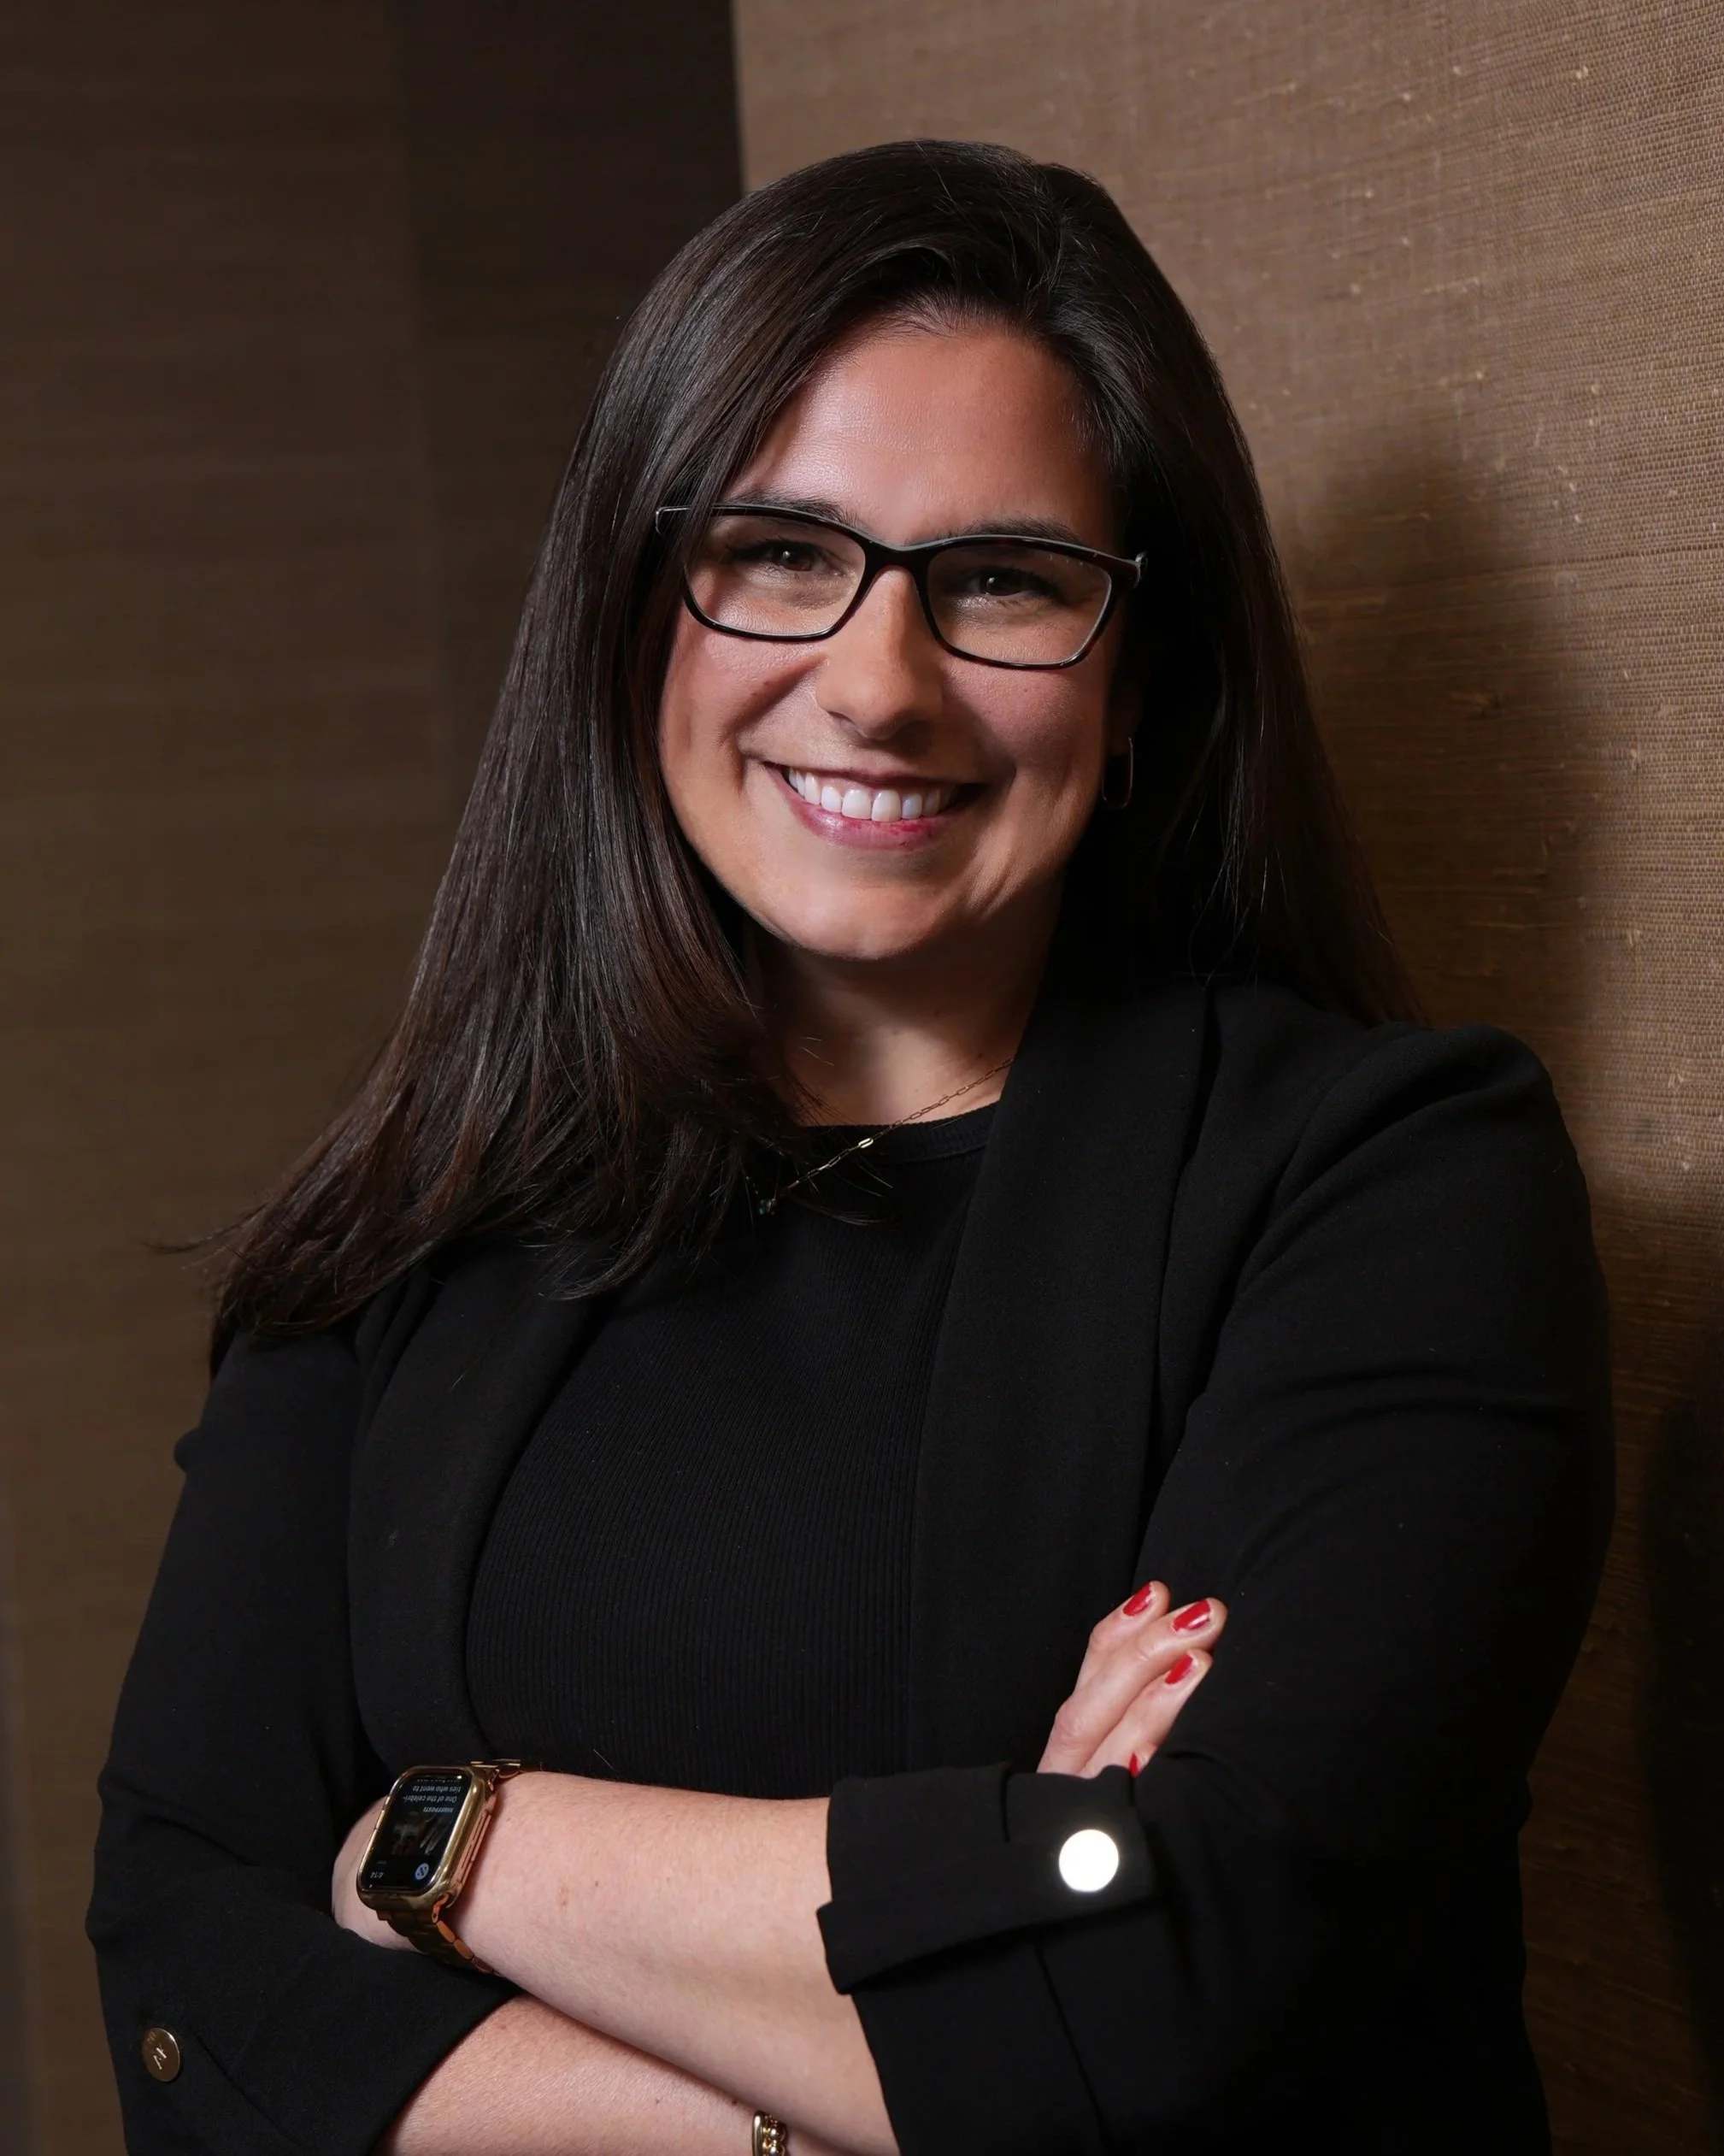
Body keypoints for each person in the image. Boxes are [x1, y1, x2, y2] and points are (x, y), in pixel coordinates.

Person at [88, 139, 1612, 2155]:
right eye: (783, 551)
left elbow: (1171, 1980)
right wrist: (923, 1980)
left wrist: (450, 1845)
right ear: (641, 620)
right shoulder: (418, 1225)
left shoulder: (1393, 1184)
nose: (878, 684)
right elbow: (190, 1982)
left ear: (1139, 679)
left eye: (1002, 579)